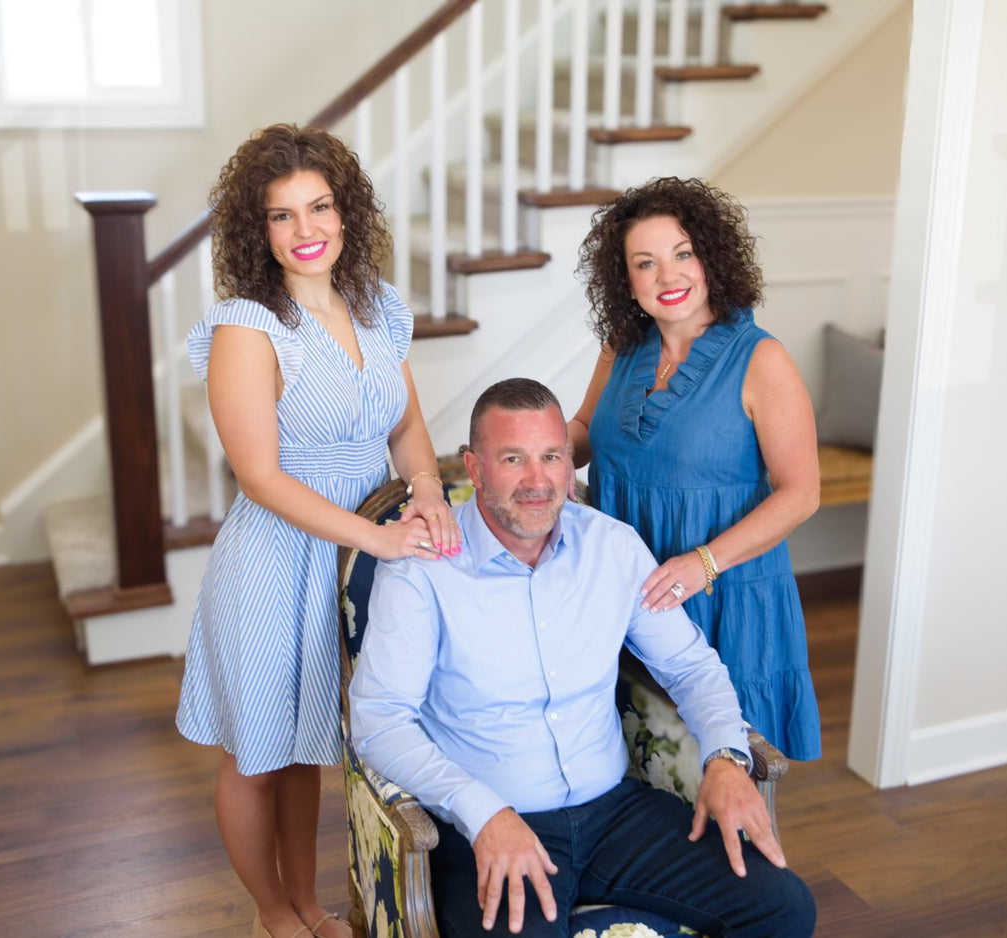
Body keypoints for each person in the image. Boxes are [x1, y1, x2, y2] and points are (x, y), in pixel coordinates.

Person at [350, 378, 816, 938]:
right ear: (474, 470)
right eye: (513, 459)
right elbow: (378, 721)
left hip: (615, 812)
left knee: (784, 908)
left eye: (551, 457)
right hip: (494, 822)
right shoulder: (422, 568)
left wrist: (725, 757)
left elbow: (690, 666)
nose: (537, 480)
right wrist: (482, 813)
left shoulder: (612, 546)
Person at [176, 123, 463, 938]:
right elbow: (259, 477)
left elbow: (406, 426)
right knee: (256, 757)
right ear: (255, 231)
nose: (307, 232)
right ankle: (272, 913)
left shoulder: (376, 306)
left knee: (311, 748)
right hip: (276, 558)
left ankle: (308, 903)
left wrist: (427, 490)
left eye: (320, 207)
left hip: (354, 559)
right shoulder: (247, 325)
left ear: (347, 212)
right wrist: (375, 539)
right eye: (282, 215)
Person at [568, 177, 823, 761]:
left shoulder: (762, 359)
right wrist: (537, 455)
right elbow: (584, 434)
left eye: (683, 253)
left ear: (711, 258)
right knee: (641, 765)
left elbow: (801, 493)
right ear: (626, 281)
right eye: (646, 263)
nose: (669, 276)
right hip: (627, 588)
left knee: (729, 770)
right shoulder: (621, 348)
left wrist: (702, 565)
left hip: (725, 593)